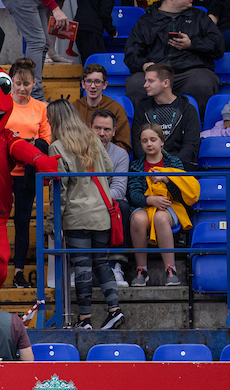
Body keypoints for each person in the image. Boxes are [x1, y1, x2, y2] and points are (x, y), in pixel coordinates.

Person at [43, 99, 124, 330]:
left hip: (77, 216)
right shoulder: (93, 139)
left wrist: (52, 222)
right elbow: (108, 169)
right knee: (101, 262)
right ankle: (114, 310)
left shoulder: (57, 147)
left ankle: (85, 319)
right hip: (101, 212)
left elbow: (61, 190)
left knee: (82, 266)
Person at [124, 0, 223, 113]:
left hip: (190, 73)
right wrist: (144, 65)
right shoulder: (146, 21)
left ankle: (197, 130)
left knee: (203, 83)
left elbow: (218, 47)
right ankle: (143, 131)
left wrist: (192, 44)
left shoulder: (199, 17)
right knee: (136, 84)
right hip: (157, 74)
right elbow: (131, 53)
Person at [127, 123, 194, 288]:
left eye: (153, 139)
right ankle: (141, 270)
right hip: (146, 206)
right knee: (137, 218)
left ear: (161, 141)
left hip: (171, 206)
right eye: (144, 141)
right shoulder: (136, 166)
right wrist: (150, 200)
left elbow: (181, 194)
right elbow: (134, 195)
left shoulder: (174, 162)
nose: (149, 144)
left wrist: (166, 180)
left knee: (161, 217)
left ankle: (171, 269)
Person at [4, 58, 48, 289]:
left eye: (27, 84)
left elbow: (46, 140)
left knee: (22, 221)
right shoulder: (2, 104)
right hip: (2, 171)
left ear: (34, 84)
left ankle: (19, 271)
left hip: (26, 174)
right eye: (18, 83)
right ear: (11, 82)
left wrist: (27, 144)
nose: (22, 88)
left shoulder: (41, 108)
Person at [129, 63, 201, 171]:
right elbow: (137, 143)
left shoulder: (187, 110)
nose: (145, 85)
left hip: (178, 171)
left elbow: (191, 146)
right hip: (148, 170)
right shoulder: (142, 109)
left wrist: (168, 168)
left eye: (151, 81)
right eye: (146, 80)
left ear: (166, 83)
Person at [90, 108, 131, 288]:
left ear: (114, 131)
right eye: (97, 128)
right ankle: (79, 267)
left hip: (105, 201)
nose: (101, 133)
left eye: (107, 129)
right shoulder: (80, 151)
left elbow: (120, 189)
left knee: (122, 206)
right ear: (90, 128)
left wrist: (95, 199)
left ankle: (115, 265)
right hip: (86, 201)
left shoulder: (120, 154)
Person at [73, 0, 131, 64]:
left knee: (87, 63)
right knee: (97, 64)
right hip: (93, 29)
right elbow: (105, 12)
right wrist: (112, 30)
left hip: (80, 27)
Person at [71, 63, 131, 153]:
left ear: (104, 85)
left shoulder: (116, 108)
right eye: (88, 81)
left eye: (97, 81)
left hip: (107, 159)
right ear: (83, 84)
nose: (92, 86)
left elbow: (123, 144)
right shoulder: (74, 107)